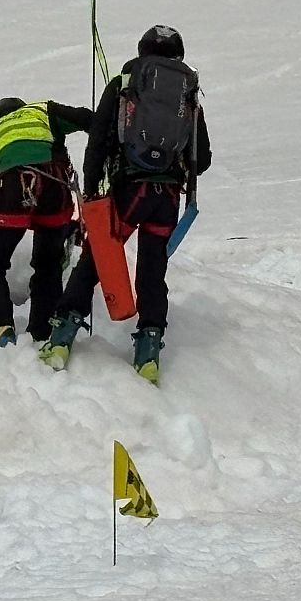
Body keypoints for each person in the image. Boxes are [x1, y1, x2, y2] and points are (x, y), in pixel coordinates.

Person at [39, 25, 211, 382]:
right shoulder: (187, 91)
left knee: (98, 258)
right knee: (152, 270)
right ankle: (148, 352)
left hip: (127, 191)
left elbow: (98, 140)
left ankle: (61, 338)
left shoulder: (125, 82)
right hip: (166, 199)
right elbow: (203, 158)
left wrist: (91, 193)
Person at [0, 96, 94, 346]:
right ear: (22, 108)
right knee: (48, 264)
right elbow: (87, 119)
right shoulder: (41, 111)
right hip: (55, 187)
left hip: (11, 187)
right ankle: (43, 331)